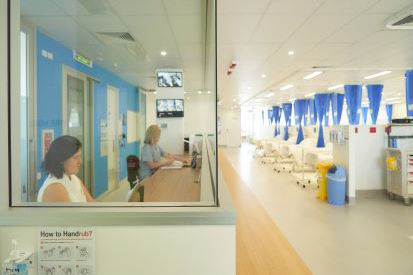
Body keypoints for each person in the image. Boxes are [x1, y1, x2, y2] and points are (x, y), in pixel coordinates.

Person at [37, 135, 94, 203]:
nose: (80, 161)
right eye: (75, 157)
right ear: (61, 159)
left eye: (80, 156)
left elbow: (92, 203)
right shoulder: (55, 188)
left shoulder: (73, 178)